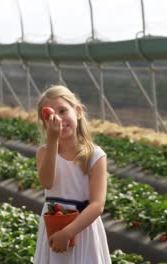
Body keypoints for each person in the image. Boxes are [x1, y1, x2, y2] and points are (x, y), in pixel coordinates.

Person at [33, 85, 111, 263]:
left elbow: (97, 205)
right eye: (50, 116)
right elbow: (47, 182)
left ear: (77, 112)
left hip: (82, 229)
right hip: (53, 225)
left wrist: (68, 233)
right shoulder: (44, 152)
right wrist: (52, 141)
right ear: (45, 124)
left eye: (62, 111)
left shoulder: (95, 156)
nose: (58, 119)